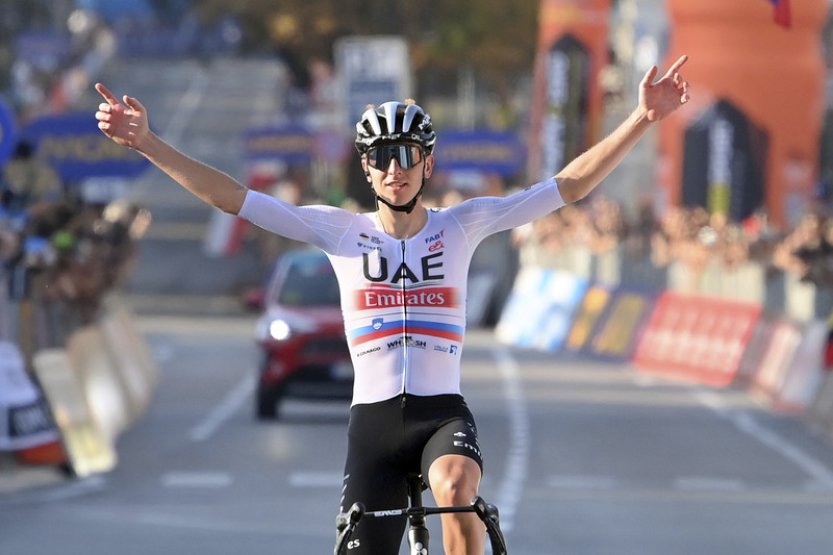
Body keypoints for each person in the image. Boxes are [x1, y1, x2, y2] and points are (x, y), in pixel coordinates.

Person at [94, 54, 690, 555]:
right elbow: (233, 198)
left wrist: (641, 117)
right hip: (373, 426)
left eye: (407, 155)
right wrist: (147, 143)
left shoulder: (463, 225)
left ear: (427, 163)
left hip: (441, 415)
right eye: (381, 157)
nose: (395, 170)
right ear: (366, 168)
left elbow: (568, 186)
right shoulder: (340, 232)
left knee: (456, 489)